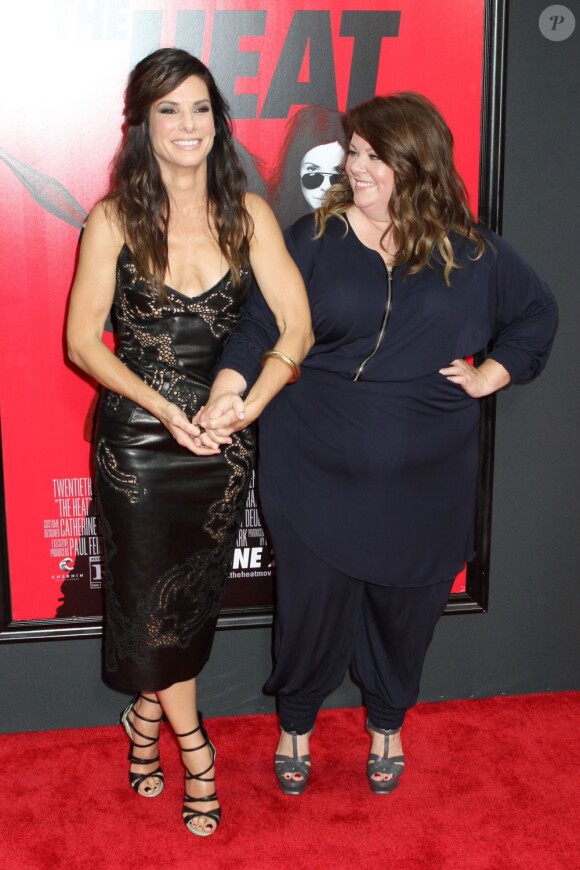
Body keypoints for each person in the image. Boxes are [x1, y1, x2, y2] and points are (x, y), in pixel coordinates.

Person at [195, 92, 558, 796]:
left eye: (372, 156)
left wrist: (494, 374)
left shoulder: (474, 253)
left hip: (427, 489)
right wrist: (228, 388)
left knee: (407, 613)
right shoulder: (312, 239)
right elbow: (259, 327)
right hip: (315, 473)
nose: (355, 167)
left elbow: (537, 311)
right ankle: (296, 723)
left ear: (415, 164)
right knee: (310, 612)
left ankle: (387, 721)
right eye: (354, 152)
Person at [66, 48, 312, 836]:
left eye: (200, 108)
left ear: (219, 121)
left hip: (222, 441)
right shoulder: (113, 219)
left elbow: (297, 328)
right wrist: (164, 411)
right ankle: (196, 752)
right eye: (169, 109)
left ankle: (144, 720)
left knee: (188, 608)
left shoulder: (250, 214)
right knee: (148, 605)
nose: (188, 125)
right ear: (143, 123)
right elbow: (83, 345)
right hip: (138, 443)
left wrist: (248, 407)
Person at [268, 104, 344, 228]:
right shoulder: (272, 221)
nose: (326, 187)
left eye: (337, 174)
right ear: (295, 172)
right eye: (313, 172)